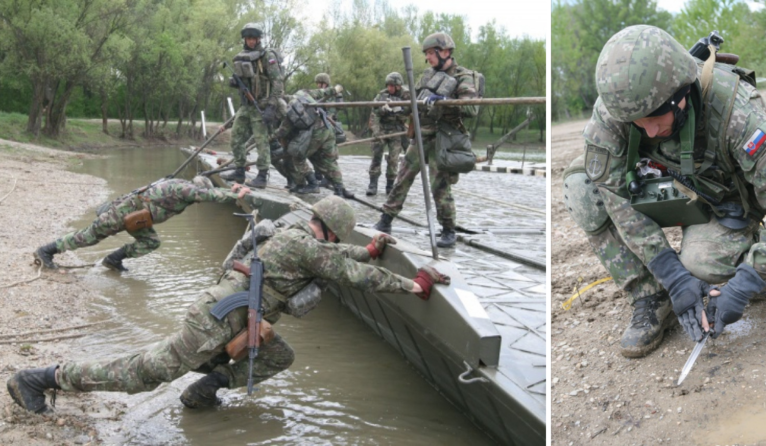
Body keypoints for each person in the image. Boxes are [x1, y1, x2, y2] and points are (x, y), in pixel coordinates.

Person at [8, 196, 450, 414]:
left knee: (280, 355)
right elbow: (352, 273)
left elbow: (339, 260)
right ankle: (40, 378)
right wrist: (414, 285)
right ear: (333, 230)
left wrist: (370, 250)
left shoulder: (301, 241)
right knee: (144, 375)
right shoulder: (305, 248)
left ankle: (206, 387)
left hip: (234, 322)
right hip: (216, 321)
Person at [562, 25, 766, 358]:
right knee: (580, 185)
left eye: (655, 117)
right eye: (637, 121)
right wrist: (671, 276)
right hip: (662, 188)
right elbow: (619, 203)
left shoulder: (736, 113)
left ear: (681, 93)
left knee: (700, 269)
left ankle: (751, 257)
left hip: (724, 199)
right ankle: (651, 296)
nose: (648, 129)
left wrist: (747, 281)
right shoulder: (617, 112)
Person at [372, 33, 480, 248]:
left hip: (444, 139)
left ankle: (448, 230)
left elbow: (471, 107)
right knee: (402, 177)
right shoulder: (428, 75)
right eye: (427, 54)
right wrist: (397, 109)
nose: (428, 58)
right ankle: (385, 221)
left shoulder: (463, 76)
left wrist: (445, 101)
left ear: (446, 52)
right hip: (422, 135)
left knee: (439, 186)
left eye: (432, 53)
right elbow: (415, 103)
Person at [33, 177, 252, 272]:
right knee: (89, 237)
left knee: (151, 242)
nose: (198, 199)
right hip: (124, 213)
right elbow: (207, 195)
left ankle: (113, 259)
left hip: (139, 218)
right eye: (200, 194)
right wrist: (235, 196)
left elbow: (208, 193)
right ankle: (46, 251)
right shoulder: (183, 190)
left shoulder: (183, 189)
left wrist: (230, 190)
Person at [219, 22, 283, 189]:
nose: (251, 41)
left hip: (261, 106)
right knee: (235, 138)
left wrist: (271, 106)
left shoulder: (267, 56)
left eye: (254, 38)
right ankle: (240, 171)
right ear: (245, 39)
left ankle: (262, 176)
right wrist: (235, 83)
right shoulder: (242, 56)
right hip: (245, 106)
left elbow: (277, 83)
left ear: (259, 38)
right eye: (248, 38)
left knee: (262, 142)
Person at [273, 89, 356, 198]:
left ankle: (312, 184)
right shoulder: (303, 93)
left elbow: (282, 132)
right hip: (328, 128)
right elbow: (322, 92)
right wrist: (334, 90)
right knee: (328, 161)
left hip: (316, 133)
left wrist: (269, 137)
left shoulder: (288, 112)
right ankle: (340, 189)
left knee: (298, 157)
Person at [367, 72, 410, 195]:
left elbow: (413, 111)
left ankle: (390, 186)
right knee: (376, 156)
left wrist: (400, 110)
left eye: (392, 86)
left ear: (398, 85)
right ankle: (372, 184)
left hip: (396, 130)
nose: (389, 88)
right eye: (388, 85)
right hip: (381, 128)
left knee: (393, 159)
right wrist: (376, 131)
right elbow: (374, 113)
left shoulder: (406, 94)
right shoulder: (382, 94)